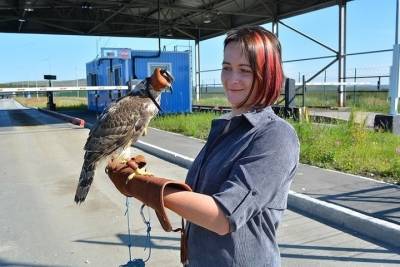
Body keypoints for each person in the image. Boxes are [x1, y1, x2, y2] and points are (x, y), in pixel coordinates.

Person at [107, 25, 300, 267]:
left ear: (268, 74)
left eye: (245, 70)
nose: (232, 80)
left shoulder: (275, 136)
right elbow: (198, 202)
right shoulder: (226, 128)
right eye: (226, 68)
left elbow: (222, 217)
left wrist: (142, 186)